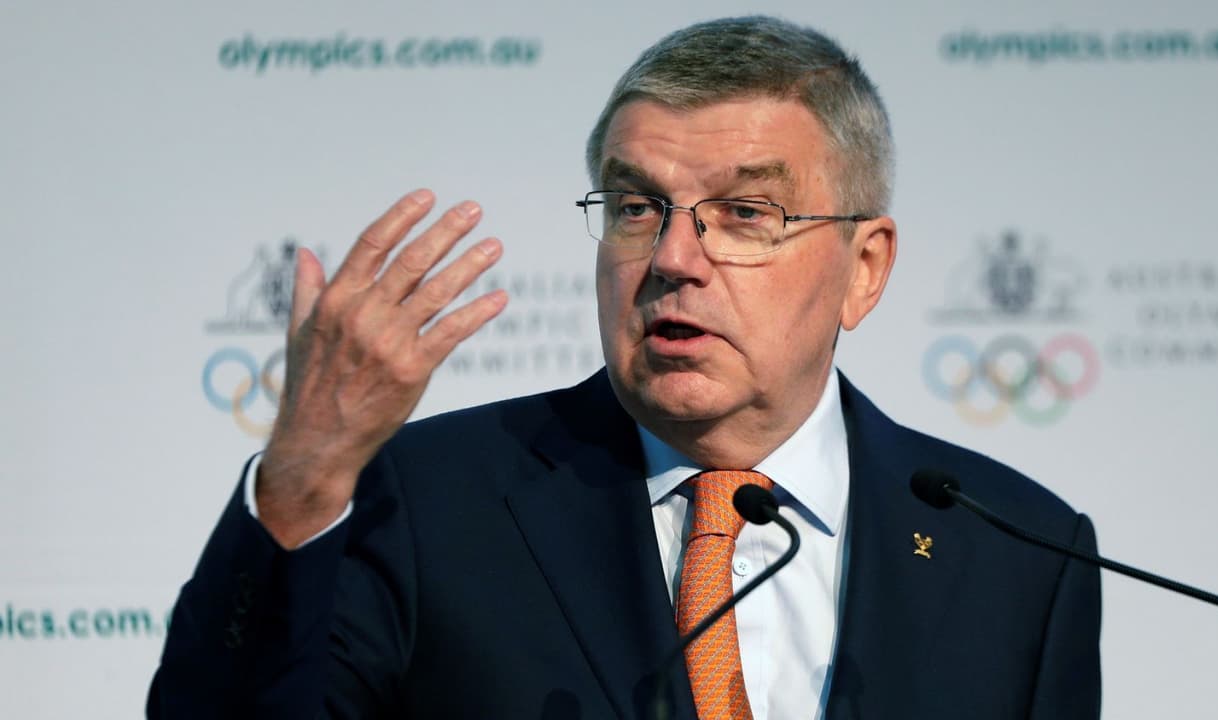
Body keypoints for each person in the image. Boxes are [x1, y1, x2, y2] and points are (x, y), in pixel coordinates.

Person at [149, 16, 1100, 720]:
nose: (673, 259)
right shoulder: (429, 503)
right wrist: (303, 480)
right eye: (637, 208)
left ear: (865, 268)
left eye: (744, 214)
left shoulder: (1020, 554)